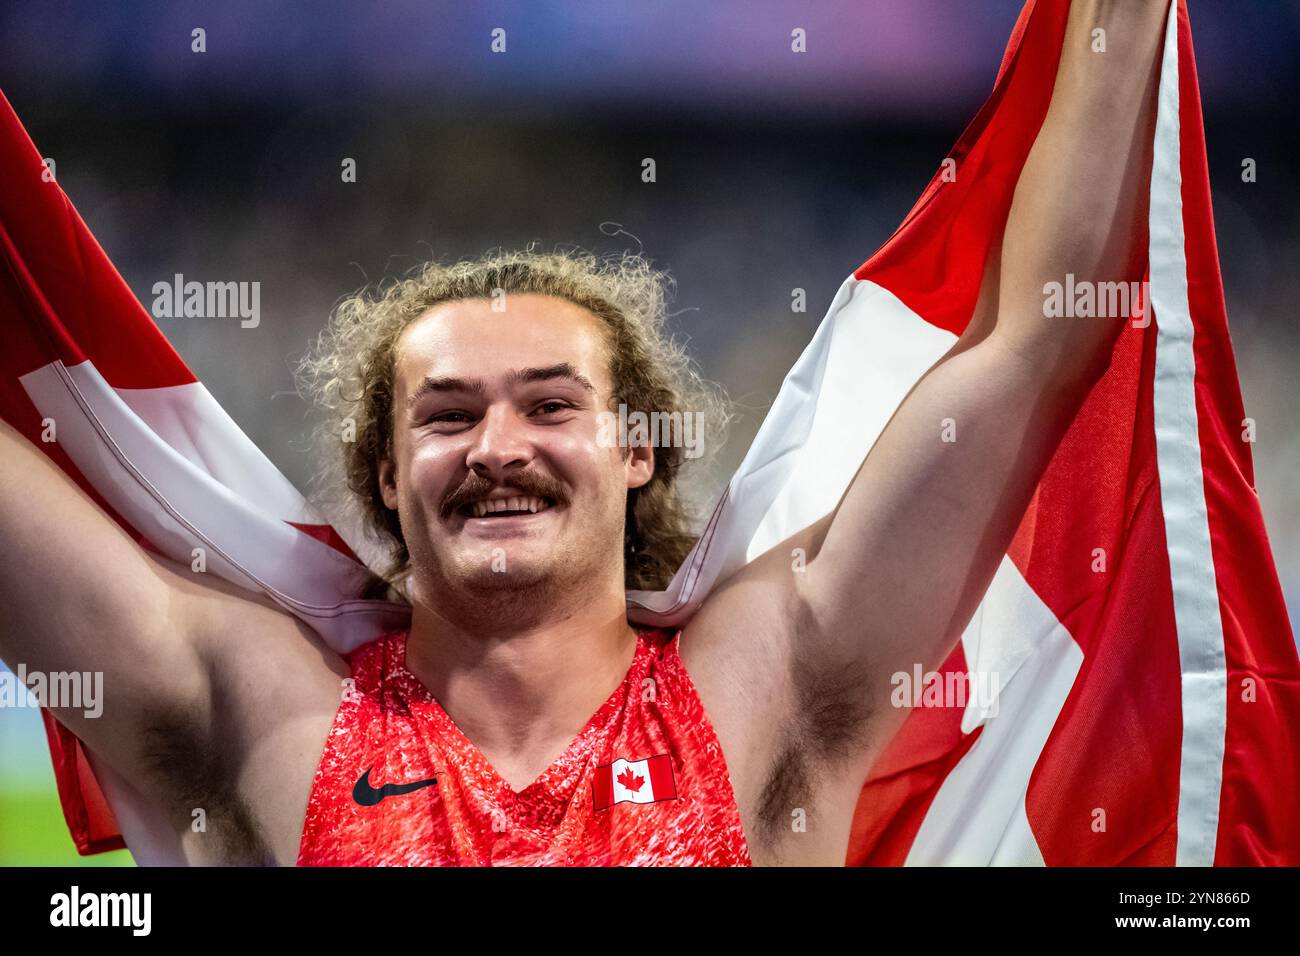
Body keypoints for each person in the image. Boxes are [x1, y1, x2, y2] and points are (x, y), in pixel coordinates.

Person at [0, 0, 1171, 866]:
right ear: (381, 472)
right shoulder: (261, 706)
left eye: (552, 404)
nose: (498, 445)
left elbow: (1034, 340)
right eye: (445, 414)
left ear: (637, 447)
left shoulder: (765, 677)